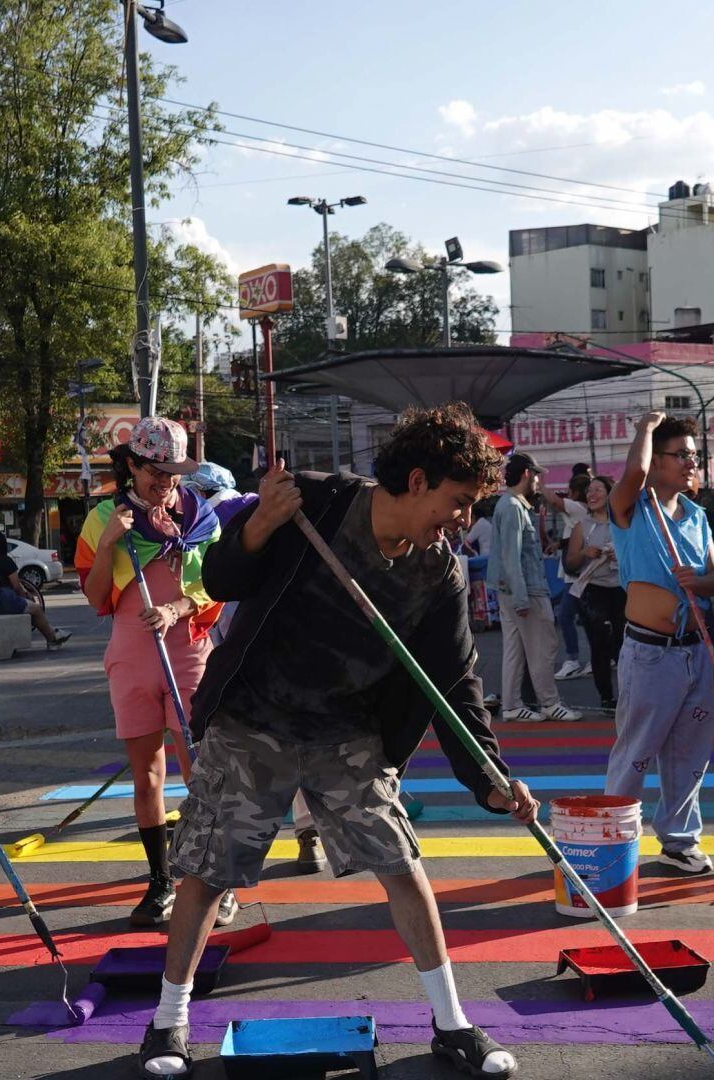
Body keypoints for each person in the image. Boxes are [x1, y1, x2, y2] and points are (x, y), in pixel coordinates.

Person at [134, 404, 537, 1079]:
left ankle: (453, 1024)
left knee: (402, 864)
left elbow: (454, 681)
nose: (463, 520)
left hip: (348, 731)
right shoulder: (315, 504)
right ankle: (166, 1026)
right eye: (458, 502)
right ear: (416, 480)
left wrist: (490, 778)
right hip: (255, 719)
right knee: (207, 871)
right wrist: (259, 524)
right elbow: (223, 579)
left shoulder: (440, 571)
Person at [76, 418, 238, 928]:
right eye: (155, 471)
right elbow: (95, 596)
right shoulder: (104, 517)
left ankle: (217, 879)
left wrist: (178, 609)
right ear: (131, 465)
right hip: (131, 653)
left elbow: (217, 586)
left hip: (188, 652)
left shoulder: (198, 516)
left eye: (173, 472)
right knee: (148, 776)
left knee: (202, 772)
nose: (165, 482)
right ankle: (161, 881)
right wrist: (108, 546)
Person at [605, 413, 714, 875]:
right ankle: (613, 839)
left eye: (695, 456)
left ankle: (679, 840)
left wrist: (701, 579)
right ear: (656, 461)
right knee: (636, 750)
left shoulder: (697, 517)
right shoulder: (633, 509)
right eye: (681, 455)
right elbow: (633, 474)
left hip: (694, 649)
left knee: (690, 752)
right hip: (649, 653)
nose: (691, 463)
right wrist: (644, 430)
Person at [489, 453, 580, 722]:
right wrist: (521, 598)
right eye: (537, 475)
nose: (539, 481)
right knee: (543, 646)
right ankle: (549, 702)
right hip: (525, 589)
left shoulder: (509, 505)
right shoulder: (513, 507)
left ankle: (512, 705)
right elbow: (511, 556)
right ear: (527, 474)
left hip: (513, 589)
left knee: (515, 651)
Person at [564, 475, 624, 710]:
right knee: (600, 643)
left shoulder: (623, 525)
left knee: (624, 645)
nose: (592, 494)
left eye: (598, 490)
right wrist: (584, 553)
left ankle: (629, 695)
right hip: (593, 591)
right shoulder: (582, 526)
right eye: (589, 491)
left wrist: (619, 555)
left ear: (610, 495)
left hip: (621, 590)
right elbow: (570, 564)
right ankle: (607, 698)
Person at [0, 529, 70, 646]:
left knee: (29, 608)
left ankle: (52, 632)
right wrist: (25, 598)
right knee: (35, 609)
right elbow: (16, 586)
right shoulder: (5, 560)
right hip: (2, 600)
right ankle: (51, 638)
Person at [550, 474, 591, 681]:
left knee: (565, 616)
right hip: (577, 575)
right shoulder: (581, 514)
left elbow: (552, 499)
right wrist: (558, 544)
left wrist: (537, 480)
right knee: (588, 618)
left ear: (574, 492)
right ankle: (599, 657)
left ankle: (573, 660)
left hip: (575, 577)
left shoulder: (577, 508)